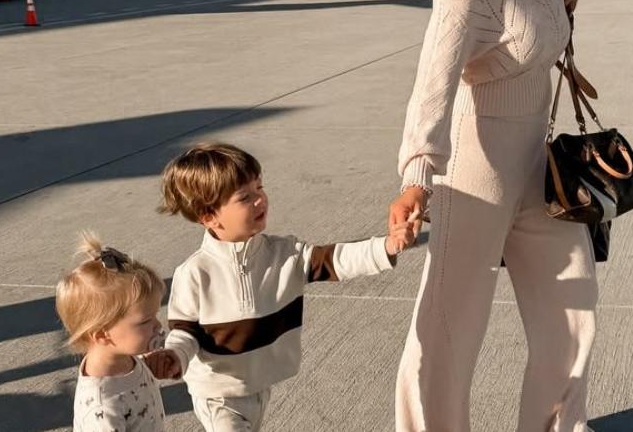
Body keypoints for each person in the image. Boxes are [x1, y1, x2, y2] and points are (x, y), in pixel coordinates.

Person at [388, 0, 591, 432]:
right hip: (474, 172)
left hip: (538, 168)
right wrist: (418, 172)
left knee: (572, 322)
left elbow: (528, 36)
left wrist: (560, 5)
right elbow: (436, 74)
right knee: (447, 337)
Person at [148, 142, 416, 432]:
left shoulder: (285, 254)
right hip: (219, 395)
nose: (259, 200)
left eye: (260, 188)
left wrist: (388, 246)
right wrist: (175, 356)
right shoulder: (195, 274)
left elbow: (338, 260)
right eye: (244, 197)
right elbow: (184, 333)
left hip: (259, 386)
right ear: (209, 216)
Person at [55, 234, 169, 432]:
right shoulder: (102, 410)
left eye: (155, 315)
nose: (158, 325)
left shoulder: (125, 359)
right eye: (145, 320)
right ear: (102, 334)